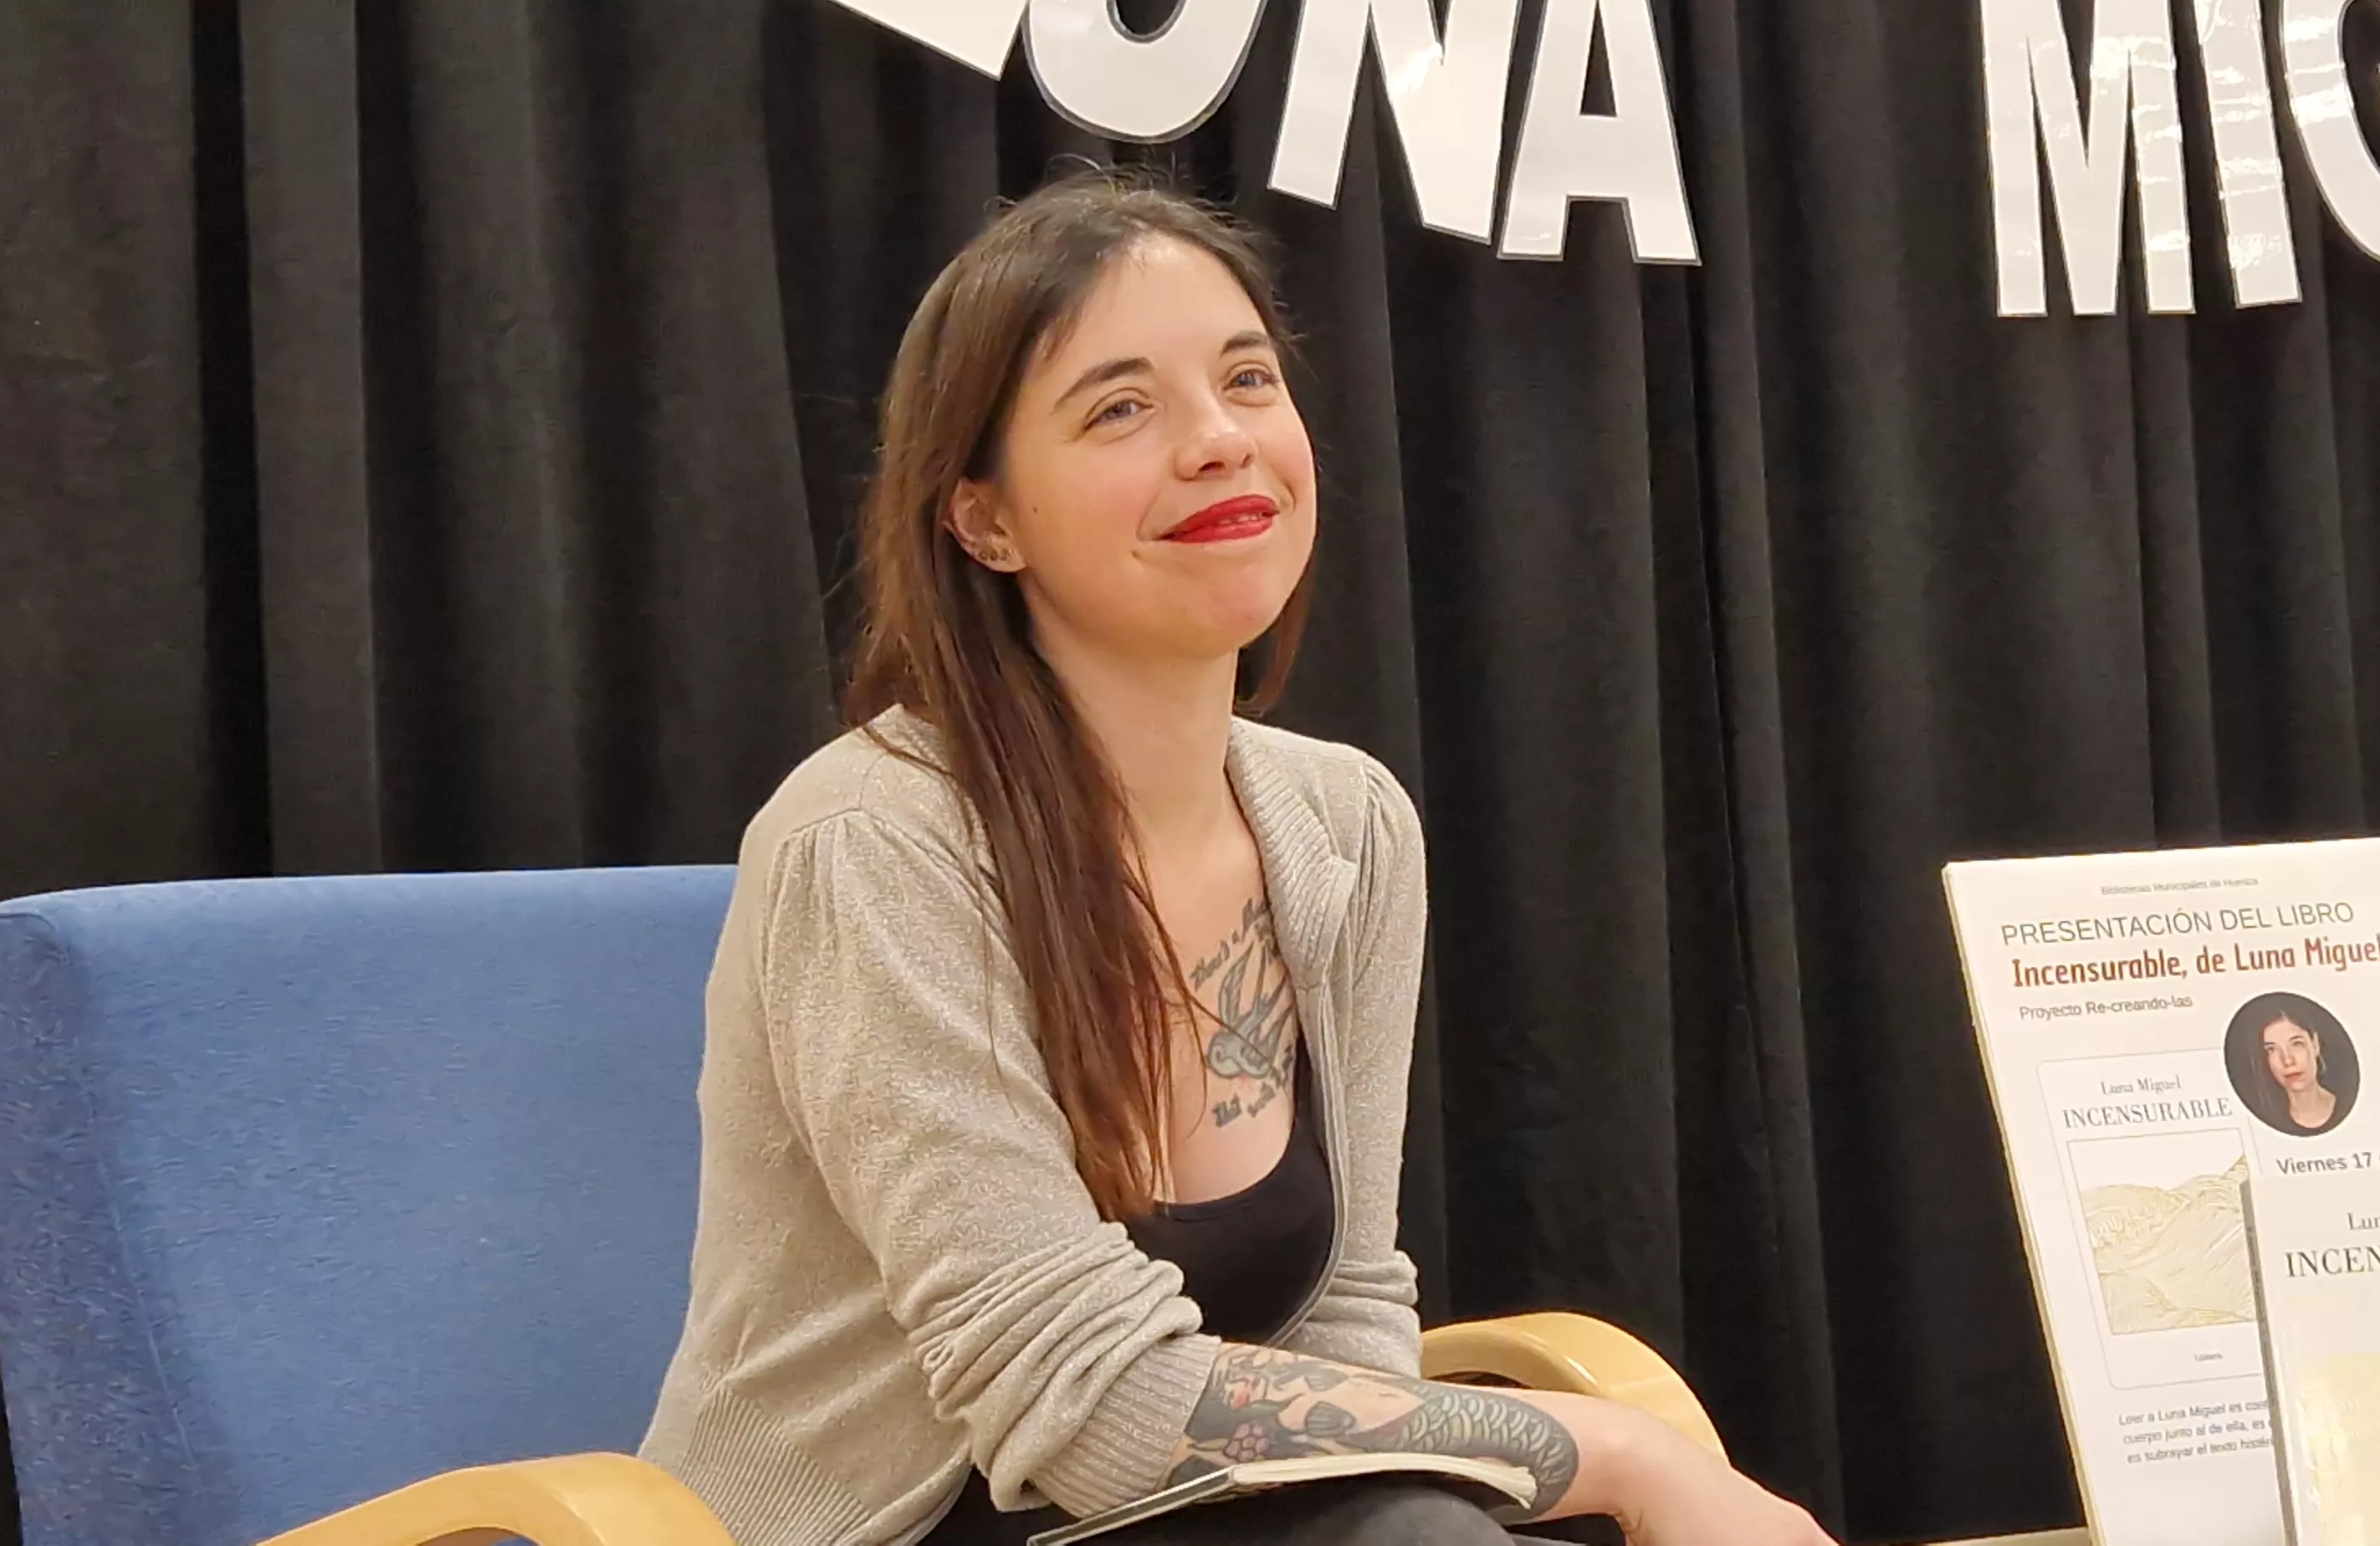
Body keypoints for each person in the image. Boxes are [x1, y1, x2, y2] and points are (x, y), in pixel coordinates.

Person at [637, 171, 1831, 1546]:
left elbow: (1349, 1311)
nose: (1218, 441)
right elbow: (1087, 1401)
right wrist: (1616, 1448)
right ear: (984, 518)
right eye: (1121, 407)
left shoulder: (1345, 823)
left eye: (1248, 379)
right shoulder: (870, 845)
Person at [2234, 993, 2352, 1137]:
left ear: (2315, 1044)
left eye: (2297, 1044)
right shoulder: (2267, 1124)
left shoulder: (2353, 1105)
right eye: (2272, 1049)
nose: (2288, 1060)